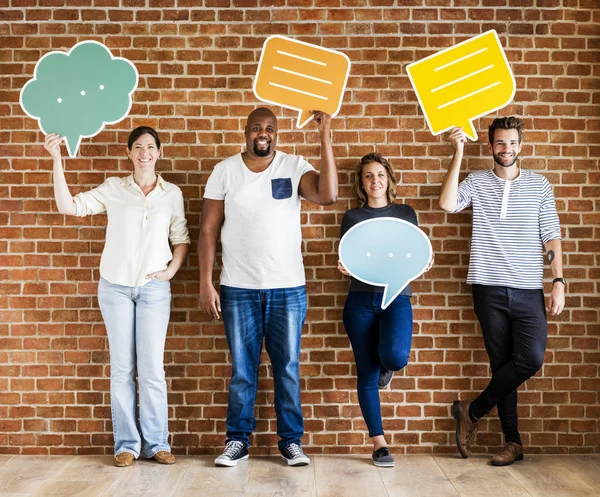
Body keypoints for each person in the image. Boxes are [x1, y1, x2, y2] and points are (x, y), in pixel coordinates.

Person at [198, 107, 337, 467]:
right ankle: (237, 441)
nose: (264, 133)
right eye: (257, 128)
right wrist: (205, 282)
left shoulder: (293, 166)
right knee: (242, 369)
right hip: (237, 287)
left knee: (287, 367)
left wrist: (324, 136)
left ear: (278, 133)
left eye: (270, 128)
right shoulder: (225, 170)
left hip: (287, 287)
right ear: (245, 132)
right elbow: (209, 230)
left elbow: (327, 195)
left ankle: (291, 442)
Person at [44, 127, 190, 467]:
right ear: (129, 152)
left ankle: (157, 443)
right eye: (138, 147)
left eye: (150, 147)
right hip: (115, 288)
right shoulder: (114, 188)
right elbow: (70, 207)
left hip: (154, 289)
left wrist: (171, 270)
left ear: (159, 152)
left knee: (151, 368)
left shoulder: (171, 194)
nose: (144, 153)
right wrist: (56, 160)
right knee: (122, 368)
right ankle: (126, 445)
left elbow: (180, 238)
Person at [439, 117, 565, 466]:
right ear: (491, 146)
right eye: (499, 143)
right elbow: (448, 204)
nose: (506, 149)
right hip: (487, 286)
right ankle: (513, 442)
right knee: (501, 366)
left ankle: (472, 410)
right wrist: (459, 152)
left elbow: (550, 235)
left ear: (520, 146)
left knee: (529, 359)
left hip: (527, 289)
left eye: (512, 143)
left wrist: (558, 282)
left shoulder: (539, 185)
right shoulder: (477, 182)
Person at [338, 153, 431, 468]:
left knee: (394, 356)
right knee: (365, 373)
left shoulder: (405, 213)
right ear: (361, 184)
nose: (374, 181)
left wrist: (422, 261)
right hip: (360, 301)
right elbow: (350, 257)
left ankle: (386, 367)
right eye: (368, 176)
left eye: (379, 174)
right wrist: (345, 267)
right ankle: (379, 444)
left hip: (397, 297)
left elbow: (413, 253)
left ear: (389, 178)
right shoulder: (352, 217)